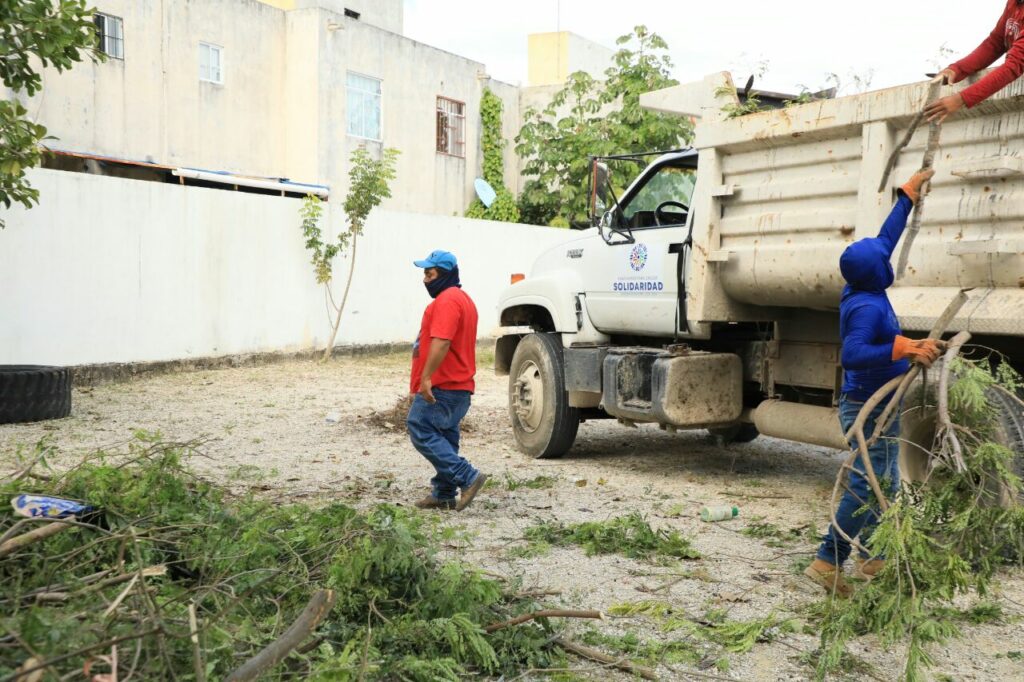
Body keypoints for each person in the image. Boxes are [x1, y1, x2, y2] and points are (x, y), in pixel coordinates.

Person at [804, 170, 944, 597]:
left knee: (888, 481)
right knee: (868, 483)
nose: (888, 259)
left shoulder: (864, 278)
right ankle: (827, 560)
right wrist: (901, 347)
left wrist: (907, 197)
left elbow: (887, 237)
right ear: (876, 272)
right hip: (867, 407)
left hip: (884, 403)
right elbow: (852, 354)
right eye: (883, 260)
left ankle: (874, 555)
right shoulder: (866, 307)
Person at [406, 249, 489, 511]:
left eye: (429, 274)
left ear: (445, 274)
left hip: (443, 385)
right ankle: (443, 493)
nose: (425, 279)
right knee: (446, 437)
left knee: (419, 426)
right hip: (459, 387)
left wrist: (426, 378)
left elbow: (441, 342)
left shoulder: (448, 300)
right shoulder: (463, 300)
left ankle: (468, 476)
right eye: (424, 274)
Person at [925, 0, 1024, 123]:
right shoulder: (1014, 3)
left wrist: (960, 99)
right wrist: (955, 70)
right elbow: (996, 43)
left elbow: (1013, 66)